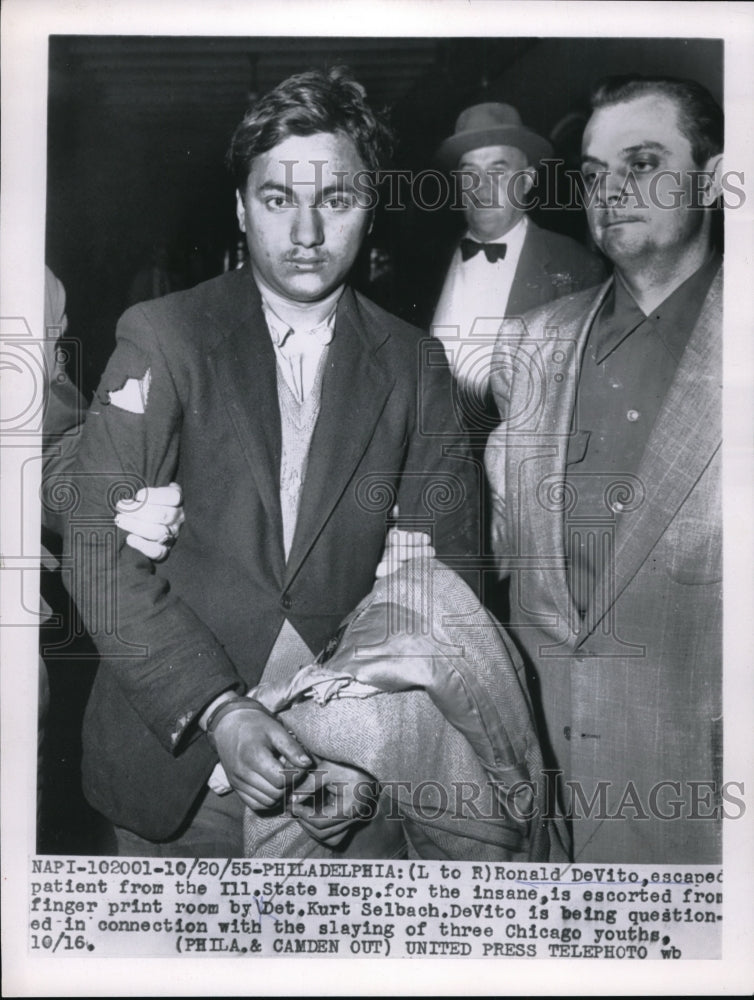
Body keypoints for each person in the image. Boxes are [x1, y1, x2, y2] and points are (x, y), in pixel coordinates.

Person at [64, 68, 479, 857]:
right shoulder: (164, 335)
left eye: (338, 199)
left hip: (346, 777)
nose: (307, 233)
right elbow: (97, 552)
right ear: (241, 207)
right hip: (174, 773)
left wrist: (364, 752)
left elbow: (446, 589)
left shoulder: (416, 365)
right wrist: (219, 710)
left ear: (374, 208)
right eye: (280, 199)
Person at [484, 75, 724, 863]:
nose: (612, 190)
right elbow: (491, 549)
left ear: (716, 180)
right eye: (593, 173)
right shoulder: (529, 347)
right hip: (539, 810)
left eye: (643, 161)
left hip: (702, 815)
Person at [431, 102, 606, 406]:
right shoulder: (420, 265)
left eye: (498, 171)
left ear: (526, 180)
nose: (481, 187)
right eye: (470, 173)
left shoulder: (578, 268)